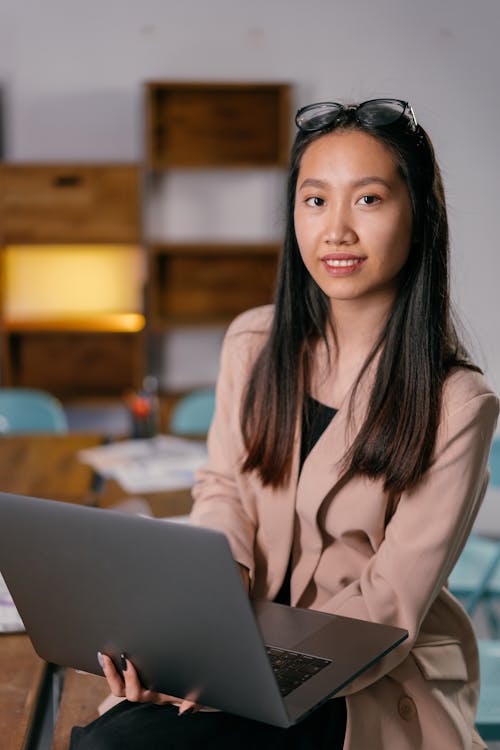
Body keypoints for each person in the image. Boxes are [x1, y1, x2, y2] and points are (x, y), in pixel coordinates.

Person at [70, 99, 499, 750]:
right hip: (233, 645)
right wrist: (207, 614)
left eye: (369, 200)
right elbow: (222, 492)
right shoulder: (253, 343)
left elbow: (389, 604)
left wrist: (234, 670)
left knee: (115, 743)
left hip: (360, 681)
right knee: (112, 731)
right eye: (315, 200)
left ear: (419, 216)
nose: (336, 231)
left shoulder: (458, 403)